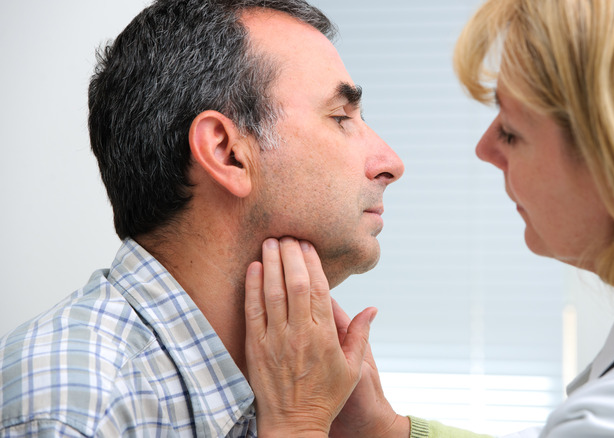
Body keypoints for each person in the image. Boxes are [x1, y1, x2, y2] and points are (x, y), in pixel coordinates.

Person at [242, 0, 614, 436]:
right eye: (340, 118)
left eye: (513, 132)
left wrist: (298, 423)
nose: (484, 149)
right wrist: (386, 432)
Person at [0, 0, 402, 436]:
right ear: (227, 153)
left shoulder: (292, 387)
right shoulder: (78, 410)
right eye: (341, 117)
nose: (391, 163)